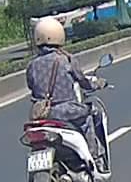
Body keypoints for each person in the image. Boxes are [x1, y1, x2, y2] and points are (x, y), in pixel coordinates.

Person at [26, 18, 108, 171]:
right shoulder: (66, 60)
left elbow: (31, 85)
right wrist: (98, 84)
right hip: (67, 110)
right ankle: (96, 160)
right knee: (90, 116)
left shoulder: (32, 65)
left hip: (43, 115)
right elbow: (83, 81)